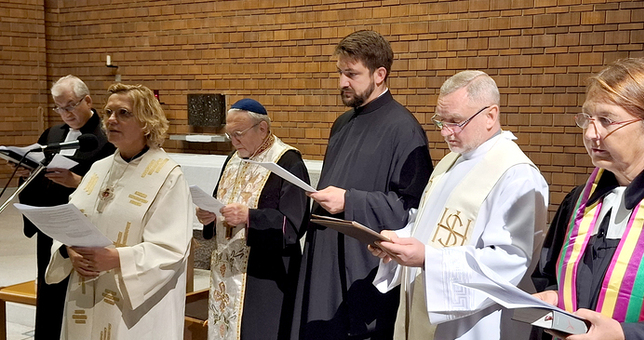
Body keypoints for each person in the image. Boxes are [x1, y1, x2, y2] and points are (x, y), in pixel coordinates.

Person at [369, 70, 549, 340]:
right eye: (440, 121)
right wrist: (398, 242)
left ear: (490, 115)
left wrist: (430, 259)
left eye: (455, 121)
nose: (445, 132)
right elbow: (426, 226)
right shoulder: (450, 162)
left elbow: (512, 260)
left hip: (474, 324)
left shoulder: (517, 173)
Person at [531, 58, 644, 340]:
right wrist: (552, 298)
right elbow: (548, 276)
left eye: (606, 121)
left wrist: (624, 335)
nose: (589, 134)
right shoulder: (578, 202)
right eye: (587, 119)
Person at [293, 30, 434, 340]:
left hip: (363, 270)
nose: (342, 82)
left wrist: (350, 200)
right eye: (340, 73)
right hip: (324, 262)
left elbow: (411, 210)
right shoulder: (342, 123)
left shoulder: (405, 131)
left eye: (352, 74)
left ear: (380, 74)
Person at [44, 83, 192, 339]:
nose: (111, 120)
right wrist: (68, 250)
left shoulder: (168, 175)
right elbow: (72, 218)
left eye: (123, 113)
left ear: (147, 122)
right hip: (87, 290)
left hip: (135, 303)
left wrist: (117, 259)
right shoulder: (98, 169)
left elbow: (172, 249)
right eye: (109, 112)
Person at [11, 75, 115, 340]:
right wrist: (26, 172)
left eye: (70, 106)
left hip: (81, 223)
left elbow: (112, 181)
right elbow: (40, 167)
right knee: (48, 285)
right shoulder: (54, 133)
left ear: (87, 100)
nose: (65, 113)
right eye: (59, 107)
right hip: (49, 220)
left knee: (74, 289)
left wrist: (77, 182)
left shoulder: (105, 136)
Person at [196, 98, 310, 340]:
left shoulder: (287, 161)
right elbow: (219, 203)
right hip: (227, 273)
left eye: (239, 134)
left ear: (262, 128)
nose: (234, 141)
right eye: (230, 135)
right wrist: (208, 216)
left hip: (266, 277)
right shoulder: (233, 160)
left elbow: (293, 224)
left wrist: (249, 217)